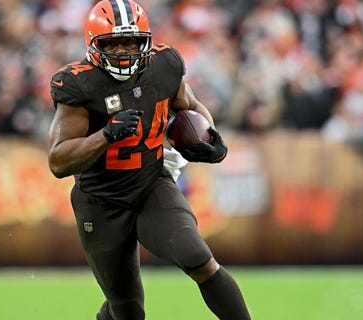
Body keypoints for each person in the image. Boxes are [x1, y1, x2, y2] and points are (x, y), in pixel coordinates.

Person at [47, 1, 251, 319]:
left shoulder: (164, 66)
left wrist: (207, 136)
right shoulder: (79, 85)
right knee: (127, 309)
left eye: (131, 41)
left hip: (150, 185)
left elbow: (191, 106)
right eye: (113, 43)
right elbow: (58, 161)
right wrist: (105, 136)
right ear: (94, 44)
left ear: (146, 41)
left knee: (197, 257)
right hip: (100, 202)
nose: (124, 51)